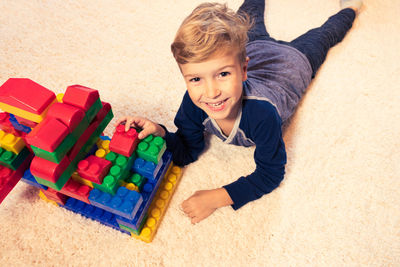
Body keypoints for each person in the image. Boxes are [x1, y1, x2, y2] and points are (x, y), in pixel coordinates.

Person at [115, 0, 363, 224]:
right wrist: (159, 132)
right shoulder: (193, 103)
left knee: (326, 34)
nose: (211, 93)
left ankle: (350, 7)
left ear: (243, 70)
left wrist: (217, 197)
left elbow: (271, 173)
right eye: (196, 79)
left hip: (294, 61)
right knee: (249, 11)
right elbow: (187, 150)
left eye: (223, 74)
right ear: (185, 78)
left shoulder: (261, 114)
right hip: (253, 46)